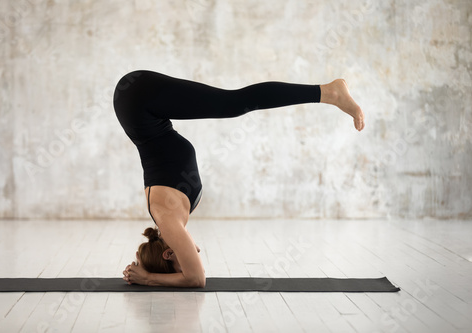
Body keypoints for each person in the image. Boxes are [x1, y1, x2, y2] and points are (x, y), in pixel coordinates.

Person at [114, 70, 365, 287]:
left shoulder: (167, 219)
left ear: (169, 253)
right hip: (142, 107)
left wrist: (148, 279)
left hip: (137, 100)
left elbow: (196, 279)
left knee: (233, 103)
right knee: (231, 103)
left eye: (180, 265)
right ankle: (328, 92)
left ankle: (330, 92)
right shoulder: (173, 219)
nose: (194, 257)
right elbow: (191, 270)